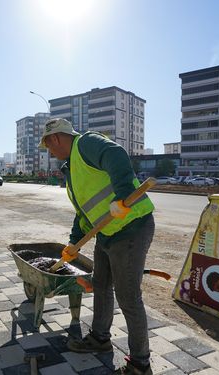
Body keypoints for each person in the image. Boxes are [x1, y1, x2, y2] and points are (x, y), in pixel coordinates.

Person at [39, 118, 155, 375]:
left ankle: (140, 364)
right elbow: (84, 213)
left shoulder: (86, 143)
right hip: (106, 233)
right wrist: (73, 242)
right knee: (101, 285)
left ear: (56, 137)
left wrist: (123, 194)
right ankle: (100, 338)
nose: (50, 151)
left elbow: (116, 154)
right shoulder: (71, 169)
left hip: (131, 228)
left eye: (49, 145)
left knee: (128, 297)